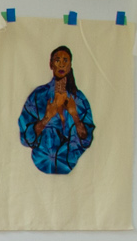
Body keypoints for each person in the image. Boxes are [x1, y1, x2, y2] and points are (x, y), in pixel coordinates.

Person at [19, 45, 95, 174]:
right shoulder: (38, 96)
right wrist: (46, 118)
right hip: (39, 166)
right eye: (57, 60)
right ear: (51, 64)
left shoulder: (80, 100)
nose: (61, 64)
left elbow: (86, 139)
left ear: (70, 65)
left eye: (65, 60)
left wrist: (74, 115)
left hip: (70, 166)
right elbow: (25, 138)